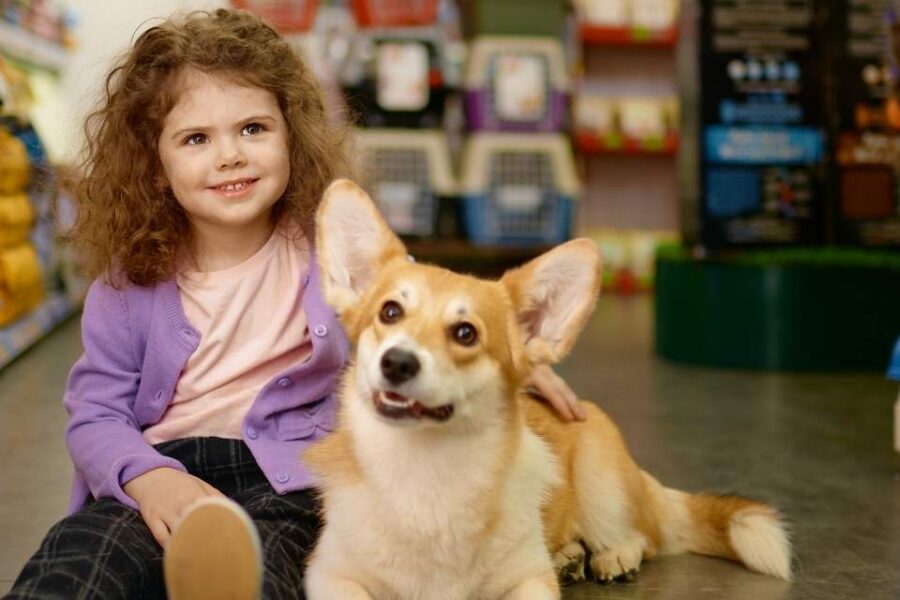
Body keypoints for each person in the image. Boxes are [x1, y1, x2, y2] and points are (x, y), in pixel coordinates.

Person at [4, 8, 584, 600]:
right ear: (154, 167)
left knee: (271, 573)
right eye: (197, 138)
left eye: (253, 128)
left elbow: (422, 312)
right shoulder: (127, 286)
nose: (230, 155)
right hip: (158, 471)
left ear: (292, 136)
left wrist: (509, 358)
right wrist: (148, 479)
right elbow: (95, 415)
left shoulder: (330, 254)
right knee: (74, 564)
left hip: (290, 479)